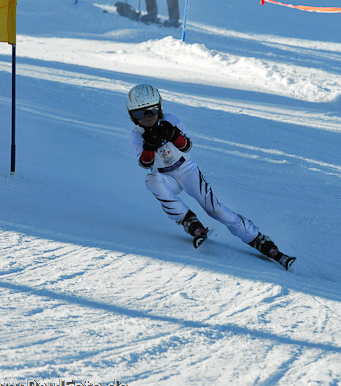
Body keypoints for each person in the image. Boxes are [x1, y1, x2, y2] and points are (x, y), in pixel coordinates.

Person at [125, 84, 296, 270]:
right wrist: (149, 145)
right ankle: (187, 219)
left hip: (186, 170)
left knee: (214, 209)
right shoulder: (136, 135)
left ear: (159, 108)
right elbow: (145, 164)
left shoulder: (171, 120)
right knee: (151, 181)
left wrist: (173, 134)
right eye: (140, 114)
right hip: (166, 177)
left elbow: (187, 147)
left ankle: (257, 238)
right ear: (133, 117)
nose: (148, 118)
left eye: (151, 111)